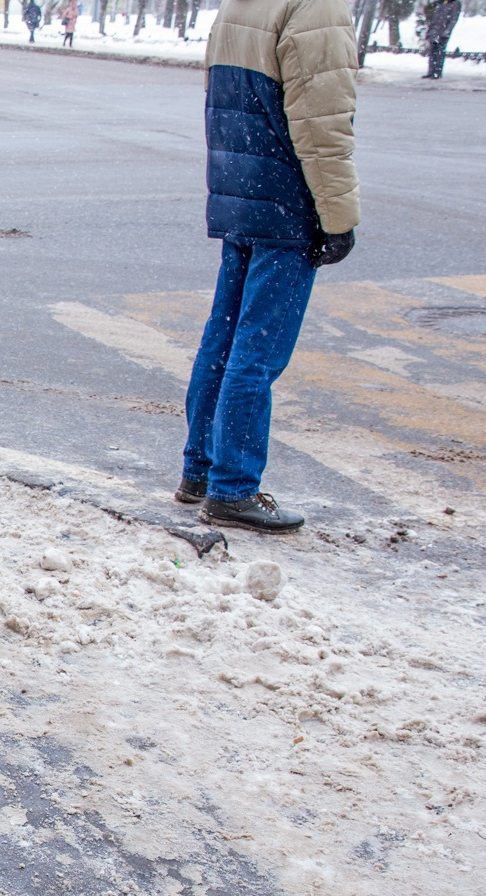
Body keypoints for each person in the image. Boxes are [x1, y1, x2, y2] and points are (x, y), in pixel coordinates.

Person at [181, 0, 358, 534]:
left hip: (243, 189)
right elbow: (322, 125)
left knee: (225, 337)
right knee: (258, 351)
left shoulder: (242, 4)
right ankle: (233, 488)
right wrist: (337, 216)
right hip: (286, 198)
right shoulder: (317, 9)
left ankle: (200, 471)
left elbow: (222, 103)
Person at [421, 0, 458, 78]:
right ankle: (431, 71)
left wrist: (446, 32)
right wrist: (429, 31)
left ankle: (437, 72)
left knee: (440, 52)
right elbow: (434, 19)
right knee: (432, 52)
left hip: (443, 33)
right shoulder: (441, 3)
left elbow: (453, 20)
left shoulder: (454, 3)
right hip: (434, 32)